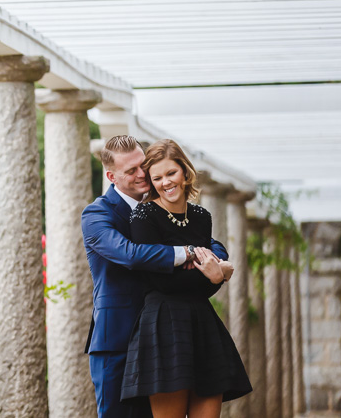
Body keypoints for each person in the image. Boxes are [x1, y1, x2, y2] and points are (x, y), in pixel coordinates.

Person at [82, 135, 228, 418]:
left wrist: (219, 261)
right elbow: (130, 254)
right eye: (131, 171)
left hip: (164, 333)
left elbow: (210, 242)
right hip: (118, 341)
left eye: (143, 166)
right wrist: (188, 252)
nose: (142, 175)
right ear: (111, 176)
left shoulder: (166, 208)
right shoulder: (97, 214)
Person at [121, 139, 251, 417]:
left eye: (171, 173)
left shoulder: (202, 216)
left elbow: (204, 288)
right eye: (157, 177)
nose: (166, 182)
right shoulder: (144, 216)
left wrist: (213, 276)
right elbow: (160, 282)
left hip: (202, 323)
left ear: (185, 172)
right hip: (163, 324)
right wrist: (212, 273)